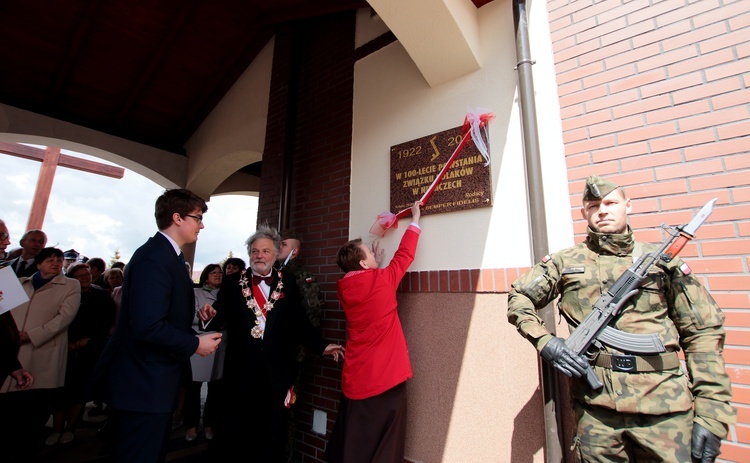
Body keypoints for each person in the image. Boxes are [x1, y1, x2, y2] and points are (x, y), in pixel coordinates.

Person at [506, 175, 736, 462]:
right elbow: (520, 297)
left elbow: (702, 334)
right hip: (596, 411)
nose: (602, 210)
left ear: (628, 205)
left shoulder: (661, 262)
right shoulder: (565, 262)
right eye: (593, 206)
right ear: (583, 213)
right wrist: (547, 343)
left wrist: (712, 413)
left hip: (664, 410)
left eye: (610, 203)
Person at [89, 188, 222, 463]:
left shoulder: (169, 256)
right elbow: (147, 326)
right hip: (144, 381)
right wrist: (195, 343)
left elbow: (159, 310)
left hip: (154, 380)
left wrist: (197, 312)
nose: (202, 224)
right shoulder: (154, 257)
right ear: (177, 218)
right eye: (197, 217)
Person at [198, 224, 344, 461]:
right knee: (238, 432)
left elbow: (298, 320)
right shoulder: (233, 281)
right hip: (241, 372)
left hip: (277, 372)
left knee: (273, 433)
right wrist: (208, 316)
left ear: (276, 254)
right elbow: (218, 315)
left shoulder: (288, 280)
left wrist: (322, 346)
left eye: (266, 251)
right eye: (255, 251)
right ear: (249, 254)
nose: (260, 256)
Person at [324, 200, 422, 463]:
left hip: (357, 377)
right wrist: (415, 221)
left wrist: (374, 264)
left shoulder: (345, 289)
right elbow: (404, 256)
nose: (372, 252)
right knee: (386, 441)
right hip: (385, 375)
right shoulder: (382, 281)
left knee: (359, 438)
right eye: (368, 252)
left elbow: (364, 279)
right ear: (364, 265)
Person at [0, 247, 81, 456]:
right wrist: (11, 335)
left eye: (59, 260)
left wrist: (33, 335)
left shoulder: (70, 285)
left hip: (43, 350)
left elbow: (64, 317)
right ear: (38, 264)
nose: (55, 263)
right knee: (8, 408)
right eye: (50, 260)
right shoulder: (20, 282)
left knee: (33, 407)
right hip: (14, 350)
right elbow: (4, 311)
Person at [49, 263, 115, 445]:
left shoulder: (101, 295)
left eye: (87, 274)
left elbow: (107, 321)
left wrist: (88, 339)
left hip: (89, 349)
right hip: (63, 348)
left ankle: (70, 427)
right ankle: (56, 429)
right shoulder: (63, 294)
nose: (85, 278)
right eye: (80, 276)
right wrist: (67, 341)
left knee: (79, 390)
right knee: (60, 391)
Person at [184, 264, 225, 442]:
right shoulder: (196, 293)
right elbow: (188, 316)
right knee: (193, 389)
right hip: (199, 343)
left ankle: (209, 423)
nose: (217, 275)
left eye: (220, 272)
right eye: (213, 272)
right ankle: (191, 426)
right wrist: (204, 316)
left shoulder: (226, 294)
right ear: (205, 276)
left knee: (215, 391)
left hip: (220, 345)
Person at [0, 220, 34, 390]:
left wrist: (13, 366)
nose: (7, 242)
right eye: (2, 236)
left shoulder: (2, 273)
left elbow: (4, 327)